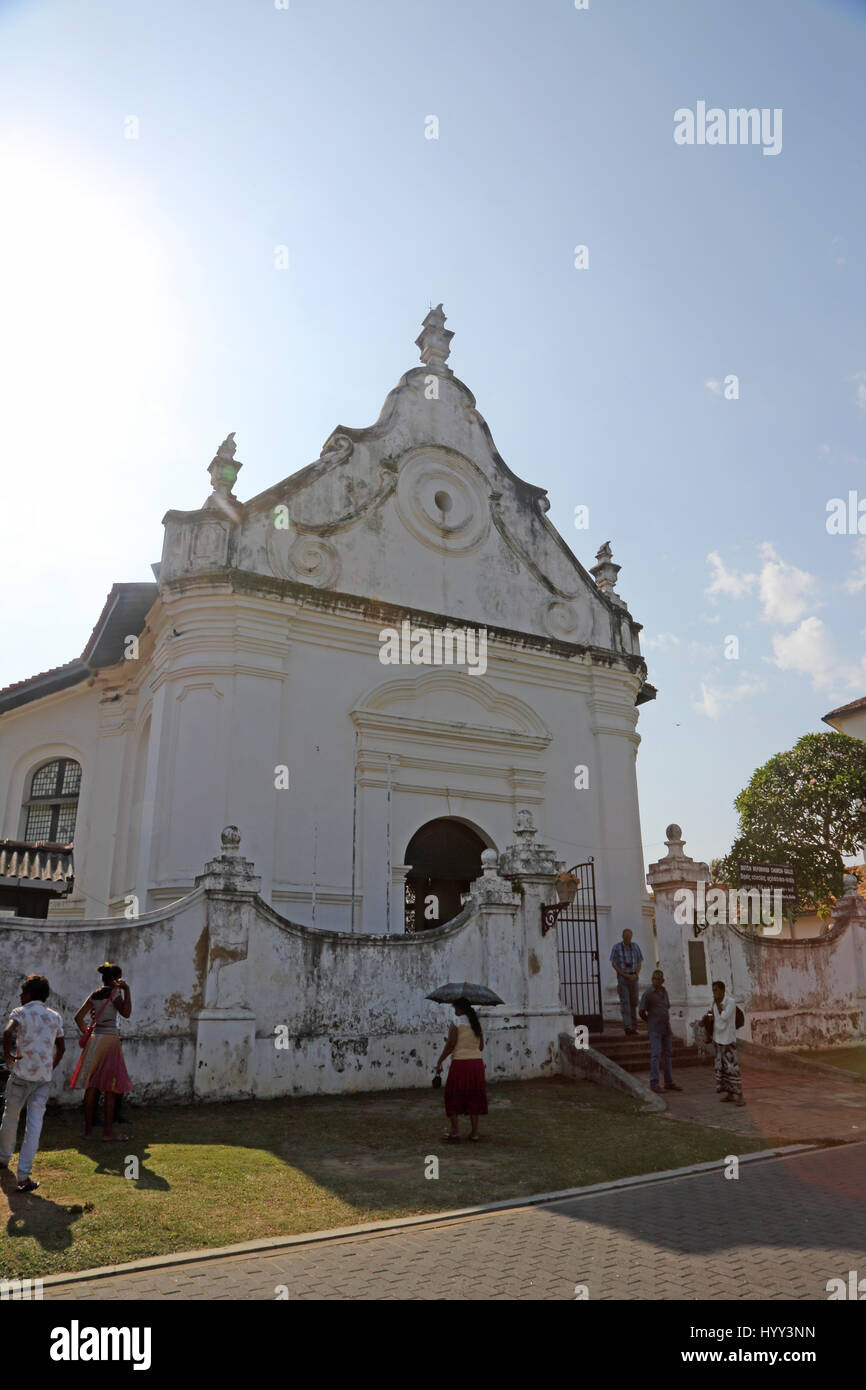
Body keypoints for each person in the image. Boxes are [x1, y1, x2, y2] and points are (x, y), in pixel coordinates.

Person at [0, 974, 65, 1193]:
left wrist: (8, 1056)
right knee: (34, 1126)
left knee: (10, 1117)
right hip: (42, 1080)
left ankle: (3, 1158)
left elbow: (7, 1032)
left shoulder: (20, 1013)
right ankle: (24, 1177)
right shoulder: (55, 1017)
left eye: (22, 992)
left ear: (29, 995)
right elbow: (61, 1048)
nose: (20, 996)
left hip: (20, 1076)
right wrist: (50, 1066)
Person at [73, 963, 132, 1140]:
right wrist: (127, 990)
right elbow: (127, 1013)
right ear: (116, 979)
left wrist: (87, 1032)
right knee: (110, 1088)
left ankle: (88, 1133)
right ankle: (108, 1133)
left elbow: (78, 1017)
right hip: (110, 1040)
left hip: (94, 1040)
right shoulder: (115, 994)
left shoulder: (95, 995)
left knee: (91, 1087)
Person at [435, 999, 487, 1141]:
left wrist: (440, 1061)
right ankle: (474, 1133)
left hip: (460, 1064)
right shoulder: (477, 1025)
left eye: (455, 1008)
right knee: (474, 1095)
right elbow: (481, 1047)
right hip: (476, 1064)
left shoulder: (456, 1022)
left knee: (453, 1095)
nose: (454, 1011)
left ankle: (455, 1131)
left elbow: (450, 1044)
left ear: (461, 1009)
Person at [639, 969, 682, 1094]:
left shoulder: (664, 992)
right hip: (655, 1029)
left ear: (662, 981)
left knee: (667, 1054)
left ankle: (669, 1082)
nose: (656, 981)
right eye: (654, 978)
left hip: (666, 1028)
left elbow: (666, 1006)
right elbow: (641, 1011)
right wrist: (650, 1021)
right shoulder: (648, 994)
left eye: (659, 979)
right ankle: (654, 1083)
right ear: (652, 980)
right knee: (655, 1055)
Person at [711, 980, 745, 1106]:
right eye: (713, 990)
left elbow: (724, 1017)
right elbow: (715, 1019)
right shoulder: (715, 1004)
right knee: (722, 1068)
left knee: (733, 1068)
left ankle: (740, 1094)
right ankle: (730, 1093)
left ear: (722, 990)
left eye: (716, 990)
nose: (714, 993)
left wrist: (719, 1005)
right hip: (718, 1038)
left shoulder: (730, 1002)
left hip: (728, 1039)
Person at [610, 928, 643, 1034]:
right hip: (623, 978)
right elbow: (614, 963)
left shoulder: (635, 947)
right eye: (626, 937)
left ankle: (634, 1026)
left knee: (634, 1002)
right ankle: (628, 1027)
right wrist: (623, 974)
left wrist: (636, 974)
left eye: (629, 937)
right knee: (625, 1002)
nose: (628, 939)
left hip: (633, 977)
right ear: (623, 937)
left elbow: (639, 961)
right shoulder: (617, 947)